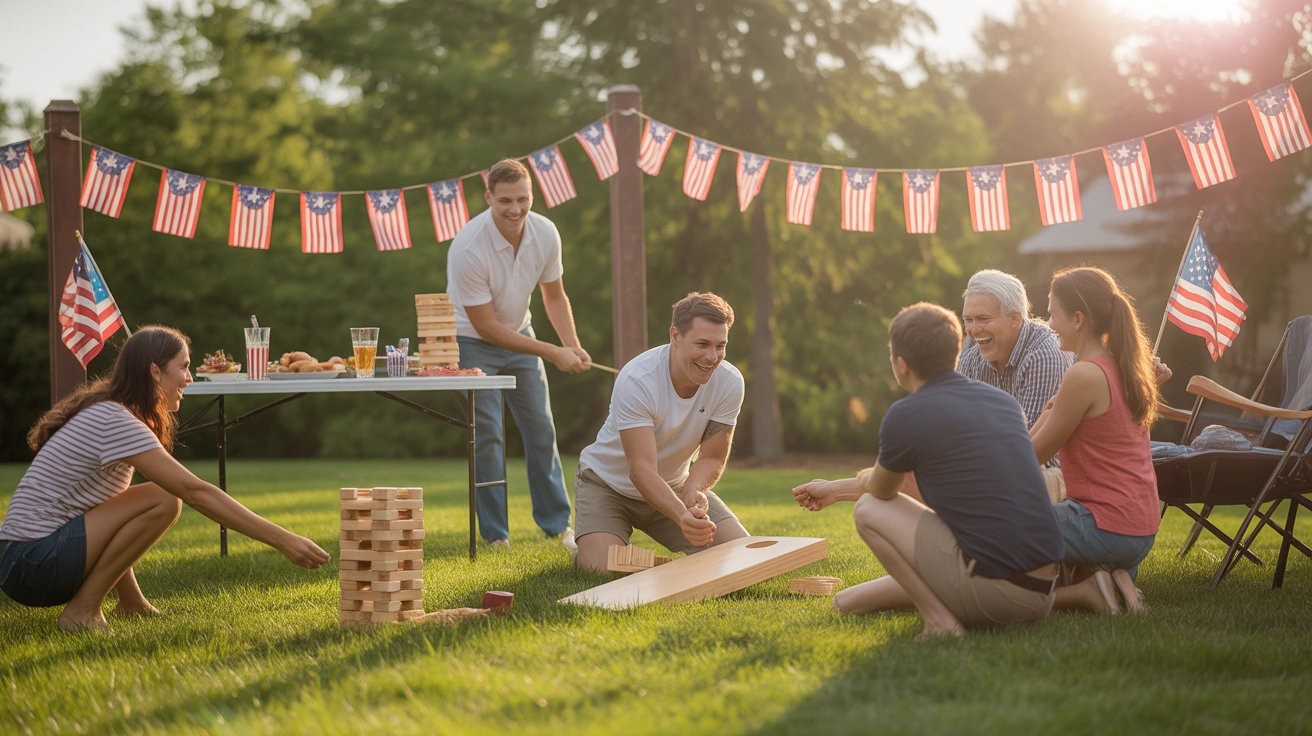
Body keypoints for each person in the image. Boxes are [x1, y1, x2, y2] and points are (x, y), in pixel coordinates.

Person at [0, 326, 329, 632]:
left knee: (140, 500)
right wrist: (285, 540)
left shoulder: (112, 412)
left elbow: (110, 514)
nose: (189, 379)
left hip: (23, 563)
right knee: (163, 498)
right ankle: (82, 612)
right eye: (183, 367)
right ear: (155, 372)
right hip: (31, 562)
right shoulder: (116, 420)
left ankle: (132, 604)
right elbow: (194, 492)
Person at [791, 303, 1064, 639]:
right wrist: (835, 489)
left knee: (868, 509)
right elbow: (914, 485)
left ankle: (940, 623)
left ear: (901, 365)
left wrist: (862, 479)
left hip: (999, 591)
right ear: (955, 353)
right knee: (846, 602)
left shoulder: (907, 414)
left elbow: (883, 492)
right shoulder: (1002, 402)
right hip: (1042, 590)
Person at [448, 158, 590, 549]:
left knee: (542, 432)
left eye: (523, 199)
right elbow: (486, 327)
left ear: (533, 195)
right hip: (472, 343)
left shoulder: (545, 232)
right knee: (489, 437)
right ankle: (496, 536)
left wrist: (571, 344)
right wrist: (551, 352)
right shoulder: (468, 247)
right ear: (489, 197)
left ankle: (558, 526)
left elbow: (554, 295)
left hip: (522, 336)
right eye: (505, 200)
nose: (515, 209)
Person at [573, 293, 750, 574]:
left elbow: (713, 457)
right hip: (609, 485)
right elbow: (641, 469)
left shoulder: (729, 382)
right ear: (675, 336)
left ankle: (619, 548)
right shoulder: (637, 380)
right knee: (600, 569)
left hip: (674, 485)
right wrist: (682, 516)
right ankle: (588, 546)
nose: (712, 357)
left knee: (740, 555)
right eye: (702, 344)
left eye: (720, 346)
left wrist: (694, 490)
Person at [1030, 267, 1161, 614]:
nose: (1048, 322)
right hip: (1139, 528)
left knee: (993, 525)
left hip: (1102, 524)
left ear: (1077, 318)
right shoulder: (1121, 366)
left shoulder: (1084, 374)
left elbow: (1031, 456)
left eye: (1052, 312)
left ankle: (1081, 592)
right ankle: (1110, 583)